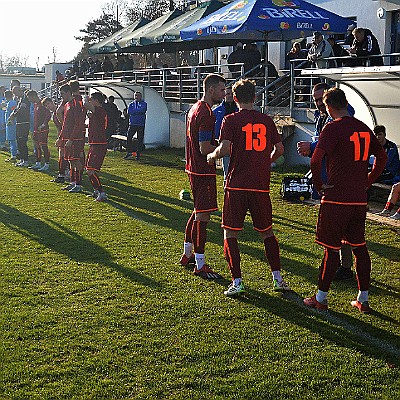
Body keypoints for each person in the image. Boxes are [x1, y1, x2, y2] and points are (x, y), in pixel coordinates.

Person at [303, 87, 387, 313]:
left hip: (337, 197)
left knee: (331, 249)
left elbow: (315, 159)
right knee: (359, 247)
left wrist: (320, 186)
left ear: (330, 107)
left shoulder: (333, 127)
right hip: (359, 198)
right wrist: (368, 180)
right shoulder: (363, 127)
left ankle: (320, 298)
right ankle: (363, 298)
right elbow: (382, 156)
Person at [206, 79, 289, 295]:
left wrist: (211, 156)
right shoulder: (266, 120)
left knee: (230, 233)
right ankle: (278, 279)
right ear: (255, 97)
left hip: (237, 184)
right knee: (267, 232)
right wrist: (266, 161)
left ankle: (237, 281)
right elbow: (279, 149)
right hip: (260, 184)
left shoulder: (230, 120)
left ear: (234, 99)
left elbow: (223, 149)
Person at [297, 82, 356, 281]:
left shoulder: (344, 117)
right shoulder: (322, 117)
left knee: (341, 227)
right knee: (336, 225)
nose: (320, 104)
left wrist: (313, 147)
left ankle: (342, 267)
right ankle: (339, 264)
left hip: (339, 179)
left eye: (322, 99)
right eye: (315, 100)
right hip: (330, 175)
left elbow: (332, 143)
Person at [179, 73, 226, 279]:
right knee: (203, 215)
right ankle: (200, 263)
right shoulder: (207, 113)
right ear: (211, 89)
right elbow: (204, 147)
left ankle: (187, 254)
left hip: (193, 167)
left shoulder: (194, 108)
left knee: (198, 211)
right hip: (202, 168)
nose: (224, 94)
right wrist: (225, 147)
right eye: (222, 90)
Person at [59, 83, 86, 193]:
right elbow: (65, 123)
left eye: (63, 94)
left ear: (68, 92)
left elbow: (78, 124)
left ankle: (78, 184)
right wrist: (61, 137)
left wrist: (71, 139)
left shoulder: (76, 104)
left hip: (75, 138)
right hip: (67, 138)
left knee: (76, 161)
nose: (62, 96)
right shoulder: (67, 104)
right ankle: (73, 182)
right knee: (70, 161)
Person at [83, 92, 108, 202]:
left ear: (96, 101)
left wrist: (85, 98)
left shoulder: (100, 110)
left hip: (99, 144)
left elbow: (86, 104)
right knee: (88, 169)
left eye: (92, 100)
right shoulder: (95, 112)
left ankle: (102, 192)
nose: (90, 101)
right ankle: (96, 191)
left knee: (90, 170)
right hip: (94, 143)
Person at [212, 86, 238, 184]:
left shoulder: (239, 109)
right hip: (224, 142)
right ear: (224, 96)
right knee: (226, 167)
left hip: (237, 142)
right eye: (228, 94)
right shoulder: (217, 111)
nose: (230, 96)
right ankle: (227, 184)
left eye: (232, 94)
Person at [42, 97, 68, 183]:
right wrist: (59, 138)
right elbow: (58, 128)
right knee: (62, 155)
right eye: (46, 106)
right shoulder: (54, 115)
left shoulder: (60, 110)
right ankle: (63, 174)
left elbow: (65, 125)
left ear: (52, 102)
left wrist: (61, 138)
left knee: (65, 155)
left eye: (48, 104)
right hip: (62, 136)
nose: (48, 106)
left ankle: (65, 174)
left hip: (67, 136)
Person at [26, 90, 51, 171]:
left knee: (44, 146)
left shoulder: (42, 103)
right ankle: (38, 163)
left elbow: (48, 115)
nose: (30, 100)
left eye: (30, 98)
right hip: (36, 129)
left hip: (43, 130)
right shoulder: (35, 105)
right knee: (37, 146)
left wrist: (43, 125)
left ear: (33, 96)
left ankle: (47, 164)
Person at [7, 86, 31, 167]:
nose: (15, 95)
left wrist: (13, 115)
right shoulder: (20, 99)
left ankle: (26, 160)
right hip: (19, 123)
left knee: (22, 141)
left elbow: (21, 110)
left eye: (16, 93)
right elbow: (17, 109)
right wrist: (13, 114)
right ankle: (22, 159)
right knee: (19, 142)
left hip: (24, 123)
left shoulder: (26, 99)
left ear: (19, 90)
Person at [124, 91, 147, 161]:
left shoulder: (144, 104)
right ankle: (129, 152)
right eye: (135, 96)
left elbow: (143, 110)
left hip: (140, 124)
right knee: (129, 137)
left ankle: (138, 153)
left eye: (137, 95)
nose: (136, 97)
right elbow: (129, 112)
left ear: (140, 96)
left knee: (140, 139)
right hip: (132, 123)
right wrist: (137, 111)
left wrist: (135, 112)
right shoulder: (131, 104)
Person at [4, 90, 17, 161]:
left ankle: (14, 155)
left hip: (11, 124)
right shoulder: (8, 103)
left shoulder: (12, 103)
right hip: (9, 124)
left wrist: (11, 120)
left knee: (12, 139)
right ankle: (13, 153)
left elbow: (14, 112)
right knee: (10, 139)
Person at [0, 86, 6, 150]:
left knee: (2, 130)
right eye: (2, 90)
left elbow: (4, 108)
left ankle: (2, 144)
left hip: (3, 115)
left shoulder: (4, 98)